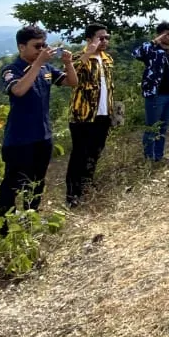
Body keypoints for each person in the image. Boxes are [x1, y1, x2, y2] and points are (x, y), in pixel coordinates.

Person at [0, 26, 78, 218]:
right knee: (13, 183)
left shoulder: (46, 68)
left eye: (44, 45)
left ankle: (31, 216)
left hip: (43, 135)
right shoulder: (11, 69)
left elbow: (71, 82)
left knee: (37, 180)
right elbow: (18, 90)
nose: (42, 49)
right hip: (19, 138)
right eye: (37, 46)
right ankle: (4, 225)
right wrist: (38, 63)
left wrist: (68, 63)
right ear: (21, 47)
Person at [66, 24, 115, 207]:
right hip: (83, 116)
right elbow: (69, 75)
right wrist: (88, 53)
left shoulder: (107, 59)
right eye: (100, 38)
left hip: (103, 114)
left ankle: (87, 185)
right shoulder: (79, 57)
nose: (105, 41)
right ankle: (73, 194)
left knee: (95, 151)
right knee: (79, 154)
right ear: (89, 40)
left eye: (106, 37)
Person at [132, 22, 169, 162]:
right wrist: (155, 41)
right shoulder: (151, 51)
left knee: (163, 127)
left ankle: (159, 157)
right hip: (156, 95)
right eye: (167, 34)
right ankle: (149, 157)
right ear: (160, 34)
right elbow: (136, 53)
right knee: (152, 127)